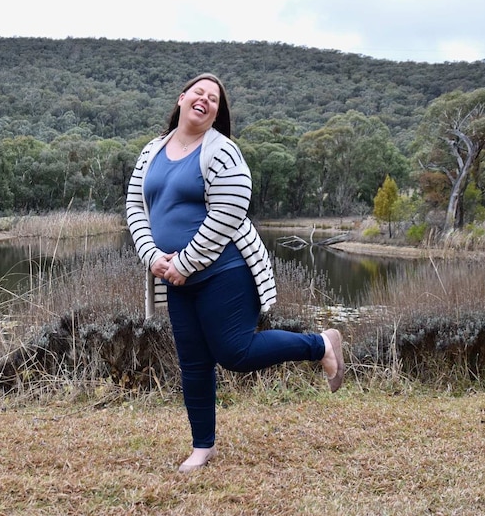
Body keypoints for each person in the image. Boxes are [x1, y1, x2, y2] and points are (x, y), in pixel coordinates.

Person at [125, 73, 344, 474]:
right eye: (199, 93)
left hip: (226, 269)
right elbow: (136, 208)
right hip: (175, 276)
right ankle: (202, 447)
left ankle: (320, 345)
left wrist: (182, 263)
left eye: (214, 99)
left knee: (235, 354)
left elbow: (228, 214)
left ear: (216, 112)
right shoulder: (151, 152)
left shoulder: (223, 152)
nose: (205, 100)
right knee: (193, 363)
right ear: (181, 99)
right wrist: (150, 255)